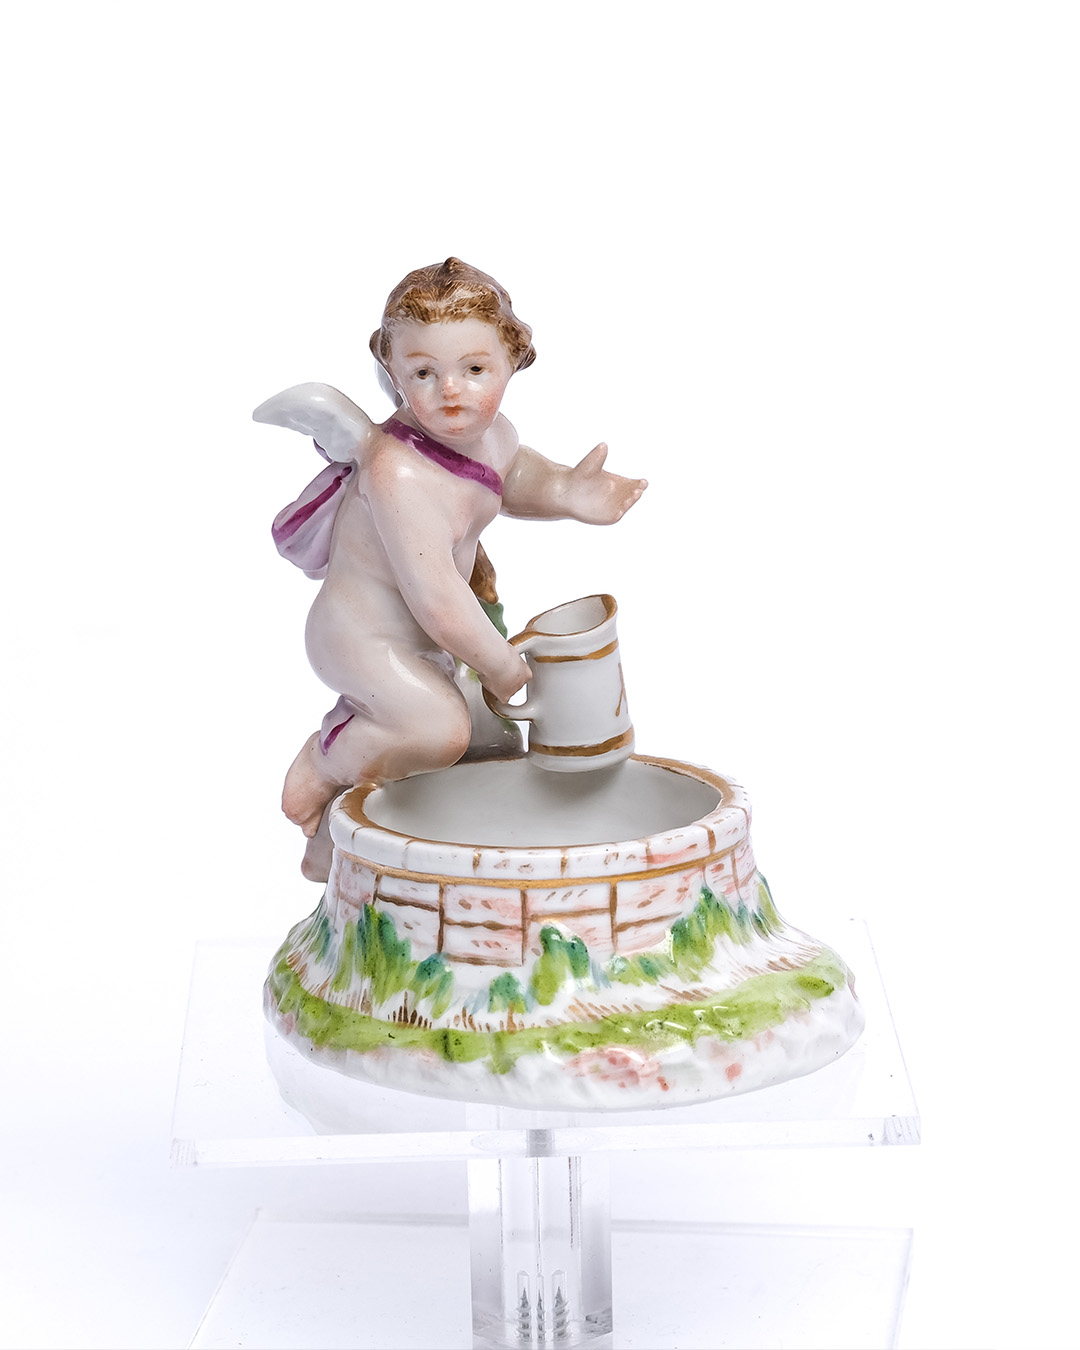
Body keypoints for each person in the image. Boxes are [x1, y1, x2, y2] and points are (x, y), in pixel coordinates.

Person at [255, 258, 647, 880]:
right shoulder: (400, 473)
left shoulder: (493, 437)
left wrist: (566, 490)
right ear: (392, 370)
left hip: (431, 642)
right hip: (363, 639)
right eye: (424, 373)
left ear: (513, 359)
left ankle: (348, 848)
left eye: (474, 369)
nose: (451, 391)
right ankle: (327, 759)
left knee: (485, 741)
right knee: (437, 729)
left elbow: (510, 476)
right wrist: (500, 663)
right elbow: (437, 597)